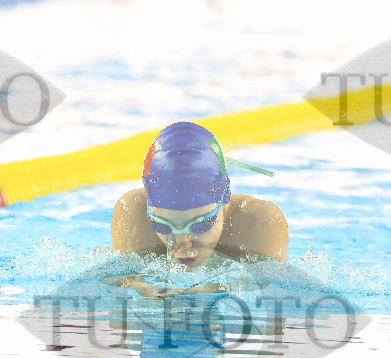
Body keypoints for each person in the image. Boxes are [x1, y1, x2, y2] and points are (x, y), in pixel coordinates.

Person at [110, 122, 288, 297]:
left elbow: (277, 294)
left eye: (200, 225)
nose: (182, 244)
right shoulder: (134, 214)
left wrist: (213, 290)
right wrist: (135, 285)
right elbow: (117, 295)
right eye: (163, 227)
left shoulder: (261, 224)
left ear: (224, 200)